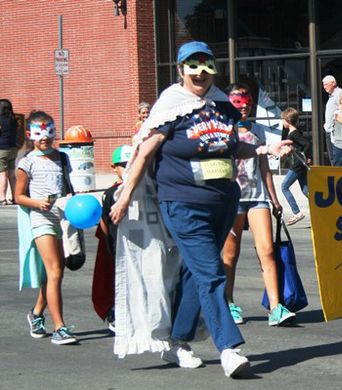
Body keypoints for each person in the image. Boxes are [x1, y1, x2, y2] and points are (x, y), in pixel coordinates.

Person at [109, 41, 293, 378]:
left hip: (223, 201)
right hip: (181, 203)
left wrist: (267, 147)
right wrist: (124, 197)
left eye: (207, 65)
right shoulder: (169, 106)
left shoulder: (221, 104)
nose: (201, 73)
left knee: (197, 272)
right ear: (180, 69)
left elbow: (233, 145)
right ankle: (229, 348)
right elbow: (145, 152)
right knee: (212, 272)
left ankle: (178, 339)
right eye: (193, 65)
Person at [222, 83, 296, 326]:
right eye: (238, 102)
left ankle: (276, 307)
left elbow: (264, 167)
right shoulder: (225, 132)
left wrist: (275, 199)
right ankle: (229, 302)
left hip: (257, 197)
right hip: (233, 199)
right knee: (230, 255)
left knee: (267, 250)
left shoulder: (258, 132)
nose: (243, 107)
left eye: (247, 101)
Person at [15, 110, 77, 345]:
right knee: (54, 271)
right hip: (41, 219)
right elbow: (19, 196)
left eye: (49, 131)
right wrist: (36, 202)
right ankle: (59, 327)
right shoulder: (27, 162)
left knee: (56, 271)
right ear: (30, 134)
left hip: (63, 217)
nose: (45, 137)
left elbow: (69, 187)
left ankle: (36, 314)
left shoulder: (62, 158)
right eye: (40, 133)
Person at [92, 144, 133, 332]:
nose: (128, 168)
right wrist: (109, 245)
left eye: (131, 164)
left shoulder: (144, 189)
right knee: (118, 280)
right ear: (114, 167)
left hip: (140, 242)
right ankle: (115, 313)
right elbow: (104, 223)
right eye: (123, 164)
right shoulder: (109, 194)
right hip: (118, 245)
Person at [280, 107, 311, 225]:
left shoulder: (293, 134)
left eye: (283, 120)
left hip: (297, 164)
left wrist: (307, 156)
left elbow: (307, 144)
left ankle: (297, 212)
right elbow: (300, 146)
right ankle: (319, 207)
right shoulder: (294, 132)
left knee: (284, 186)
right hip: (299, 163)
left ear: (287, 120)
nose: (282, 122)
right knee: (306, 190)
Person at [0, 99, 18, 205]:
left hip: (2, 149)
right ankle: (16, 197)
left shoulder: (0, 119)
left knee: (2, 174)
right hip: (13, 148)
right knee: (12, 174)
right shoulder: (14, 119)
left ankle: (2, 198)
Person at [323, 75, 342, 165]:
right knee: (332, 158)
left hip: (335, 132)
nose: (324, 86)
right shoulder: (331, 96)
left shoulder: (339, 94)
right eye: (323, 84)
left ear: (333, 83)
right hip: (329, 130)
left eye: (326, 84)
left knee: (335, 158)